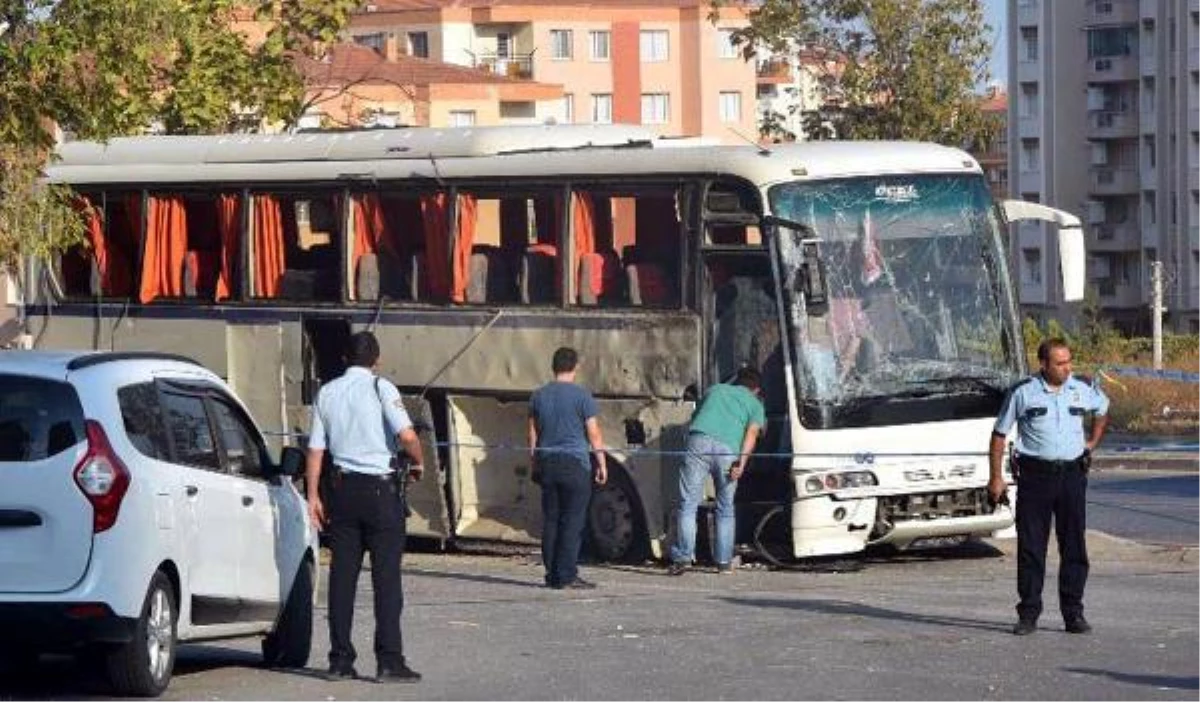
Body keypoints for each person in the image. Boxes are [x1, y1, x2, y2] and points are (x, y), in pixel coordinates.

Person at [305, 331, 425, 683]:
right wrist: (418, 462)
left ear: (345, 358)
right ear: (377, 360)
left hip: (341, 491)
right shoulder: (381, 388)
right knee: (386, 580)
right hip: (380, 493)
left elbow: (316, 450)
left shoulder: (327, 392)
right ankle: (389, 660)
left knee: (342, 578)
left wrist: (313, 496)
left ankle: (340, 660)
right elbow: (406, 436)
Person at [988, 338, 1109, 636]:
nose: (1067, 368)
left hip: (1071, 476)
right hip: (1035, 477)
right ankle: (1028, 613)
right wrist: (996, 477)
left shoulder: (1081, 388)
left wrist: (1091, 443)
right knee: (1032, 547)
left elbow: (1102, 409)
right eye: (1060, 363)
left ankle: (1073, 613)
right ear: (1043, 364)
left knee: (1074, 546)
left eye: (1069, 361)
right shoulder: (1023, 392)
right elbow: (999, 435)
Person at [668, 366, 766, 575]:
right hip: (727, 450)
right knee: (725, 507)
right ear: (756, 389)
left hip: (698, 442)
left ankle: (684, 558)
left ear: (737, 381)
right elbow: (752, 434)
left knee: (688, 504)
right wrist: (741, 462)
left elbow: (696, 415)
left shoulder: (716, 390)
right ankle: (723, 562)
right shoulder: (755, 405)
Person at [528, 346, 608, 590]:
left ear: (554, 367)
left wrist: (534, 461)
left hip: (548, 463)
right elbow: (593, 433)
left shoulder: (538, 396)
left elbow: (532, 433)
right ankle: (567, 574)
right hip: (575, 464)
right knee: (572, 521)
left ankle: (552, 574)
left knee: (551, 519)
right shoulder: (582, 396)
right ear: (575, 368)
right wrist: (601, 462)